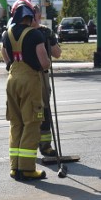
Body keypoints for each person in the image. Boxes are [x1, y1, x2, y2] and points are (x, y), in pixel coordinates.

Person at [0, 0, 51, 181]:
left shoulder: (7, 33)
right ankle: (28, 168)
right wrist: (46, 65)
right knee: (32, 123)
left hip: (12, 79)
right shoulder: (35, 35)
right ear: (30, 16)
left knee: (16, 123)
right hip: (30, 81)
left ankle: (15, 168)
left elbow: (3, 52)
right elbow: (44, 63)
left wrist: (10, 65)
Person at [35, 14, 63, 157]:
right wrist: (52, 39)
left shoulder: (14, 30)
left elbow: (57, 53)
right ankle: (45, 146)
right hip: (39, 74)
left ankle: (29, 146)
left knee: (29, 111)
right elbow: (57, 53)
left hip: (22, 76)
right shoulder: (43, 32)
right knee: (43, 110)